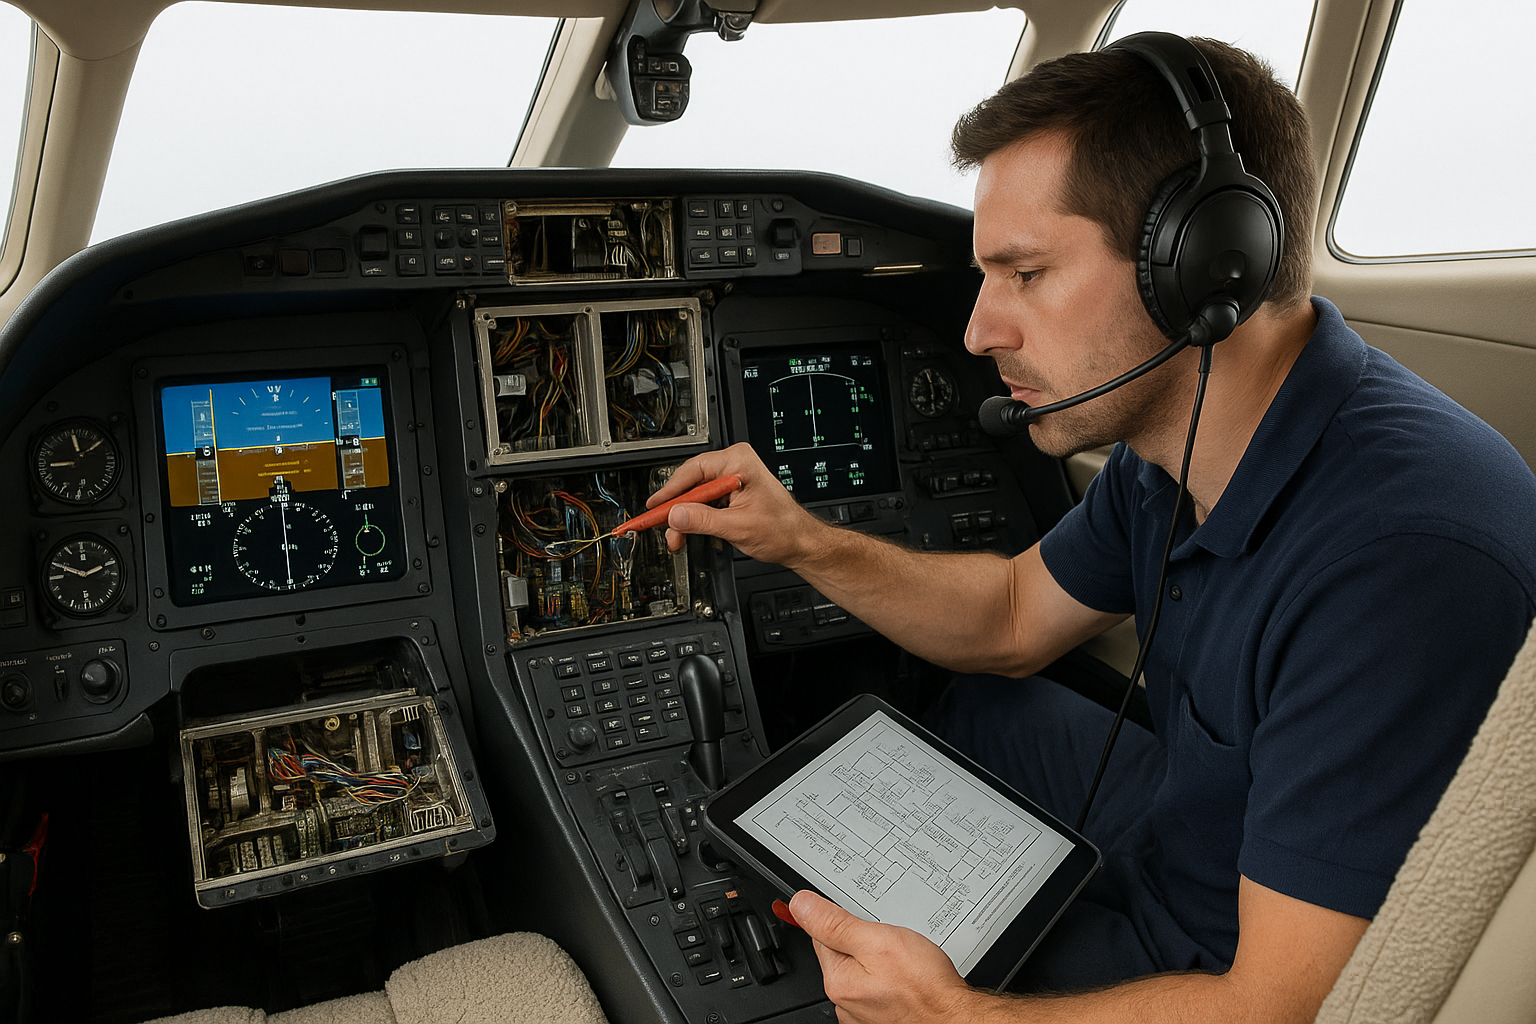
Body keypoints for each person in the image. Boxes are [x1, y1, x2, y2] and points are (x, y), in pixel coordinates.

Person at [647, 36, 1536, 1024]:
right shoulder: (1172, 442)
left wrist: (958, 1015)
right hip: (1196, 830)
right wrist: (800, 539)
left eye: (1023, 274)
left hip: (1226, 958)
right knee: (982, 705)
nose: (980, 330)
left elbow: (1287, 1006)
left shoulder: (1398, 565)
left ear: (1200, 269)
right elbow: (1017, 613)